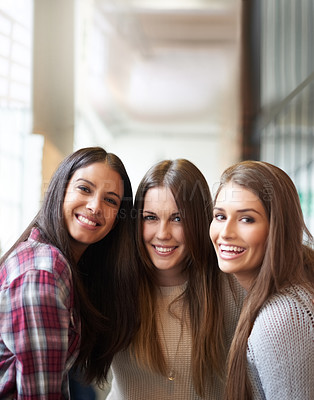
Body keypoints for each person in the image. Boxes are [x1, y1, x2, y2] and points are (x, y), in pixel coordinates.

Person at [0, 147, 138, 399]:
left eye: (110, 200)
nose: (95, 207)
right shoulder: (43, 269)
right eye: (84, 189)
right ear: (60, 190)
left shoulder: (64, 266)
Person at [107, 159, 246, 399]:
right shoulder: (115, 286)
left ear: (199, 222)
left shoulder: (233, 288)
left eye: (177, 219)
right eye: (150, 217)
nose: (162, 234)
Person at [210, 160, 314, 400]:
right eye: (220, 216)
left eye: (247, 219)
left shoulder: (283, 318)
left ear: (278, 228)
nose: (226, 232)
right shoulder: (288, 292)